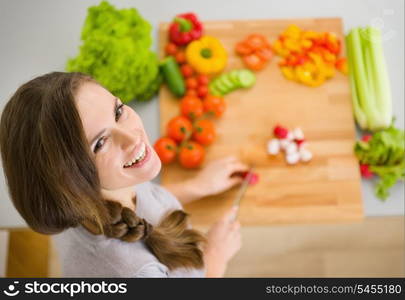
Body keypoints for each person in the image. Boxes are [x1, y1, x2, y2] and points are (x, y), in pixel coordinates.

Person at [0, 72, 249, 277]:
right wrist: (215, 257)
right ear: (70, 180)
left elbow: (141, 201)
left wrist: (196, 186)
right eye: (100, 143)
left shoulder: (90, 194)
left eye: (118, 112)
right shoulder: (137, 273)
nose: (133, 137)